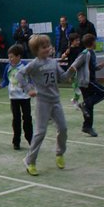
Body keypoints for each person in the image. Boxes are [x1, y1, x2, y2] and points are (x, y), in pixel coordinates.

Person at [18, 35, 71, 176]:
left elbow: (63, 78)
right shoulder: (34, 64)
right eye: (43, 47)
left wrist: (72, 70)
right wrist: (28, 89)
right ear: (36, 50)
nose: (47, 49)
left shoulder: (53, 62)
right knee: (40, 132)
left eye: (48, 46)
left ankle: (60, 153)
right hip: (43, 102)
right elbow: (20, 75)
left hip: (56, 100)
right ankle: (29, 161)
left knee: (63, 128)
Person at [70, 33, 104, 137]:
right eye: (95, 41)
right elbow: (74, 65)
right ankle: (83, 104)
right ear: (92, 42)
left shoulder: (92, 53)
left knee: (89, 105)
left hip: (89, 80)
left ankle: (87, 126)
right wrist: (69, 76)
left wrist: (98, 67)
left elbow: (91, 67)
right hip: (86, 81)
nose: (96, 43)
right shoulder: (85, 53)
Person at [0, 44, 33, 150]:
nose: (10, 59)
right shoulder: (8, 67)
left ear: (18, 56)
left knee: (27, 118)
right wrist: (0, 85)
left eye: (12, 57)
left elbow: (31, 80)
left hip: (25, 97)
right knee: (16, 119)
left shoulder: (25, 66)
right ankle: (16, 141)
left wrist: (31, 88)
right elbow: (5, 80)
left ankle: (31, 139)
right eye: (9, 57)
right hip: (13, 98)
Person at [63, 33, 83, 109]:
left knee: (80, 87)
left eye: (79, 40)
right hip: (72, 70)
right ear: (72, 41)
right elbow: (63, 57)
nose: (78, 42)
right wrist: (66, 53)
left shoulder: (80, 48)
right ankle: (75, 100)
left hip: (79, 70)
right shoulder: (69, 49)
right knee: (76, 87)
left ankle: (75, 99)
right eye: (76, 40)